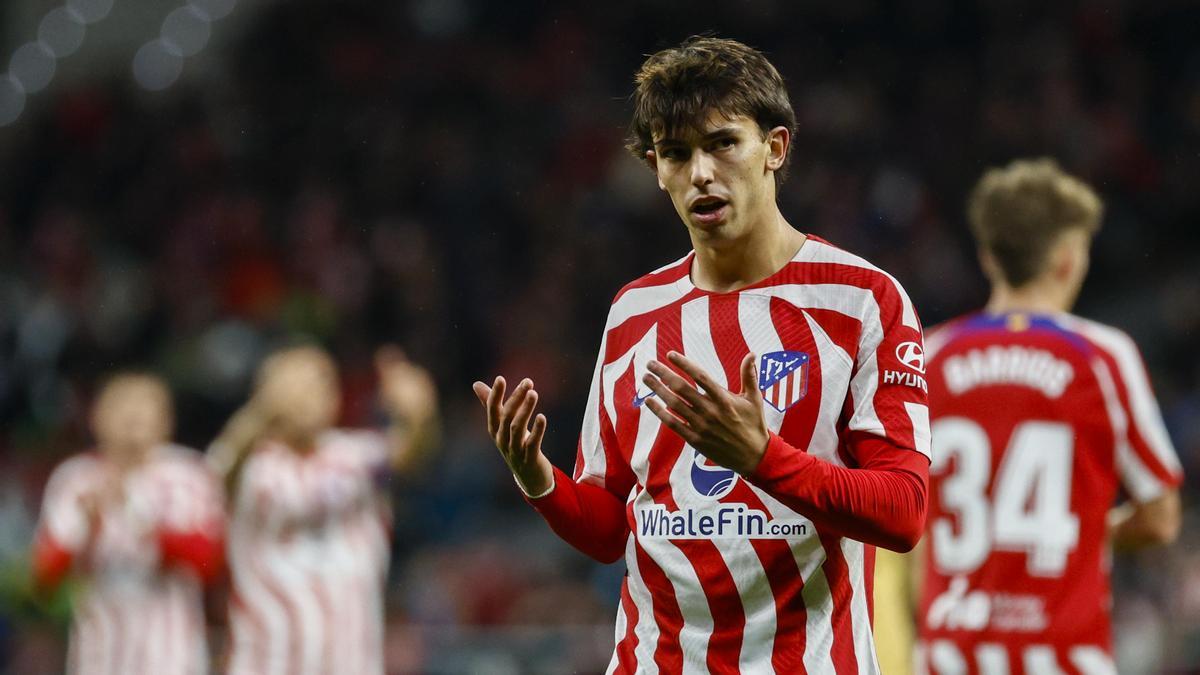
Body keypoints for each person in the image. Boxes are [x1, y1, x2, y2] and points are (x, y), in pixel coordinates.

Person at [472, 36, 931, 673]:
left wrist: (761, 458)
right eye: (676, 153)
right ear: (656, 170)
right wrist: (539, 480)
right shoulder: (634, 313)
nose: (701, 173)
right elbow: (610, 531)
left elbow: (904, 512)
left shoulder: (861, 301)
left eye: (722, 144)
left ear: (775, 148)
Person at [916, 159, 1182, 673]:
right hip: (1064, 656)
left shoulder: (929, 357)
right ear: (1066, 259)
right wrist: (1080, 530)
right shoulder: (1102, 357)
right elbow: (1161, 517)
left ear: (987, 256)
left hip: (949, 654)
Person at [211, 344, 438, 675]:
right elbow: (218, 474)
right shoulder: (249, 464)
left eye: (320, 382)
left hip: (351, 661)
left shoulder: (356, 456)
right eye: (295, 383)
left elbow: (411, 454)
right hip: (267, 662)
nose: (309, 392)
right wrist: (260, 412)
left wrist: (418, 414)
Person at [31, 373, 224, 675]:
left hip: (171, 653)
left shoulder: (187, 473)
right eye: (121, 407)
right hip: (99, 652)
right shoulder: (76, 477)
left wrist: (136, 509)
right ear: (96, 418)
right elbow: (45, 577)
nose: (133, 416)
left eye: (145, 407)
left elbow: (207, 562)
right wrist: (86, 524)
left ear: (166, 420)